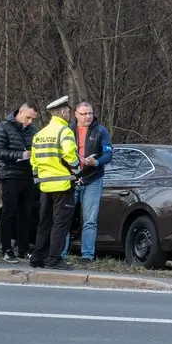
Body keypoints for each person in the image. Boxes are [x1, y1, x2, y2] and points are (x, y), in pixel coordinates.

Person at [28, 96, 80, 271]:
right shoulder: (65, 132)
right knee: (60, 224)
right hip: (63, 185)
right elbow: (70, 155)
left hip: (45, 185)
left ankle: (37, 257)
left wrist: (38, 178)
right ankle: (54, 259)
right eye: (68, 111)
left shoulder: (40, 134)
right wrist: (77, 172)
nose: (69, 115)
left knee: (44, 222)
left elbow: (34, 161)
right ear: (63, 112)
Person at [60, 101, 113, 263]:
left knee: (90, 220)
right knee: (64, 218)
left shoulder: (100, 130)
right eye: (84, 114)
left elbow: (108, 154)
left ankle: (87, 255)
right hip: (71, 180)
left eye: (90, 113)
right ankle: (60, 253)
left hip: (92, 180)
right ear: (76, 114)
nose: (88, 116)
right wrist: (72, 172)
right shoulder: (67, 130)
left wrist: (95, 162)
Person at [0, 101, 40, 262]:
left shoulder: (33, 130)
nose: (30, 121)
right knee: (9, 213)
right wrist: (20, 155)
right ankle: (6, 248)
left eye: (33, 119)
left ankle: (23, 249)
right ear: (20, 113)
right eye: (28, 117)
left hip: (28, 176)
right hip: (10, 175)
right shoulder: (4, 127)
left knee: (26, 214)